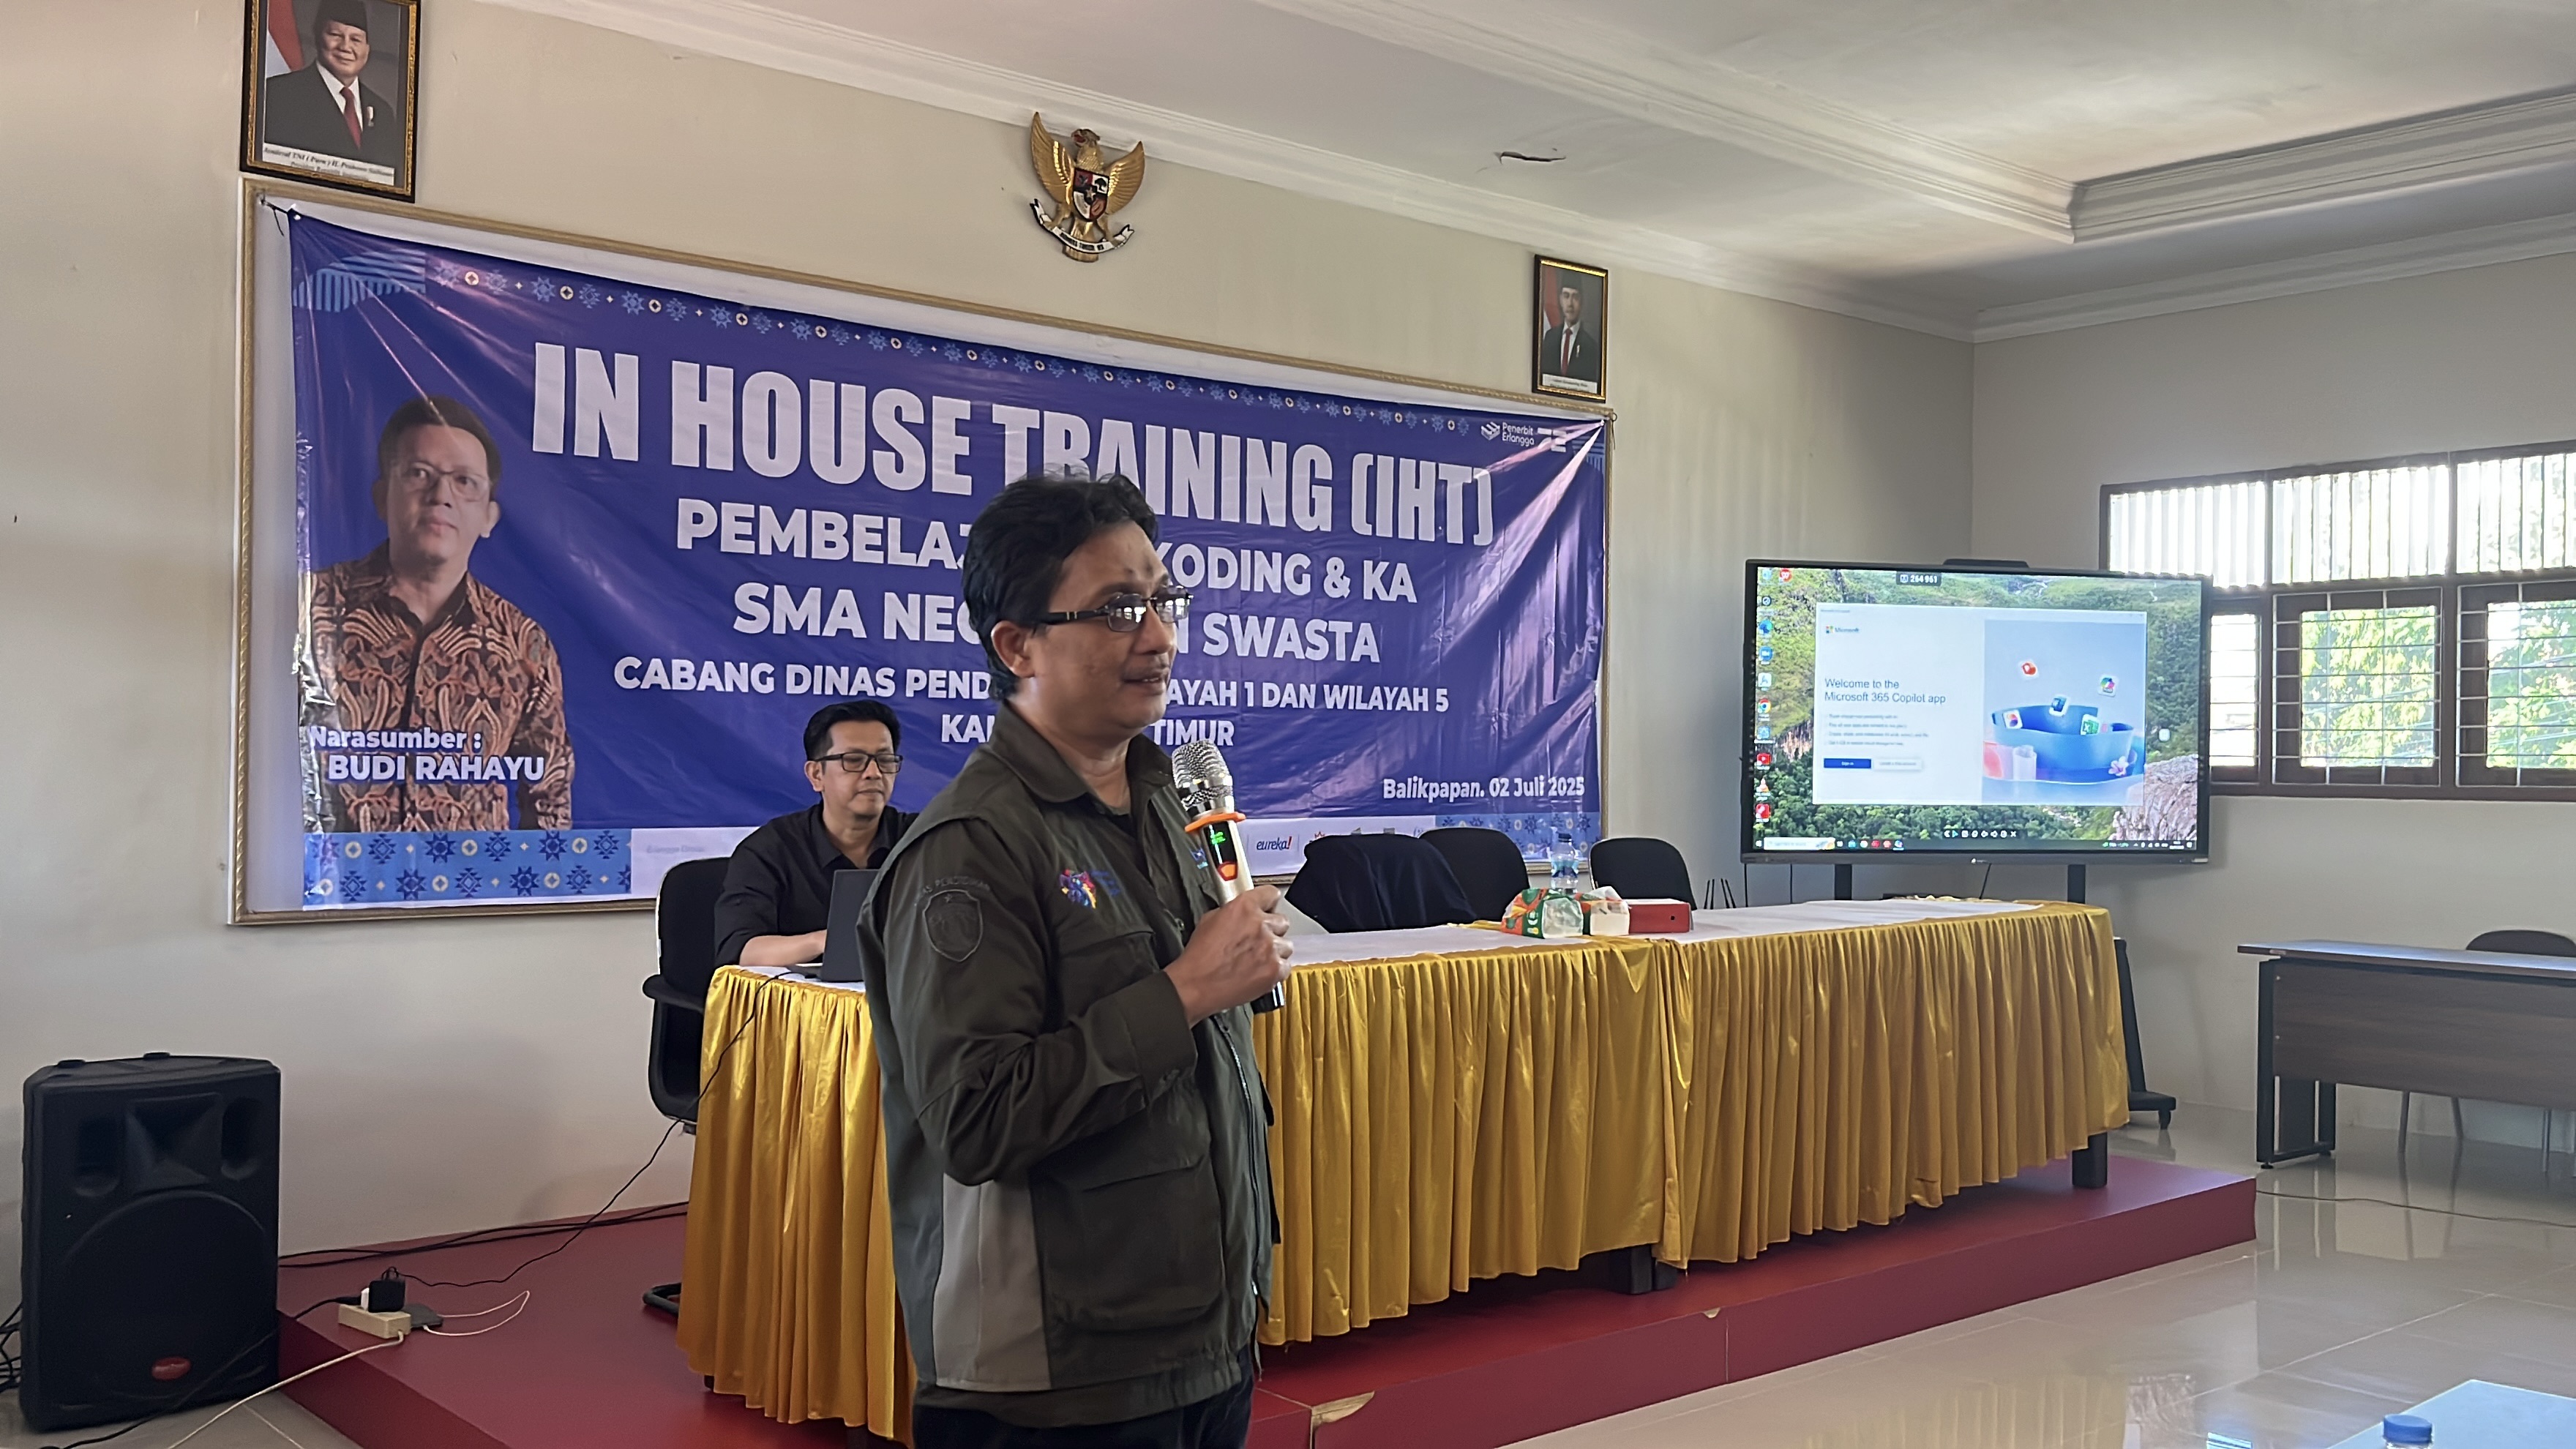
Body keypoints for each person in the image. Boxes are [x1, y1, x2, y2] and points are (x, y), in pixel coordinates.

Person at [858, 476, 1292, 1448]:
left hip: (1201, 1334)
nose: (1160, 637)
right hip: (1053, 1381)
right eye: (1119, 609)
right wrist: (1186, 991)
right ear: (1018, 646)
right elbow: (976, 1119)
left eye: (1166, 600)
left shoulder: (1168, 807)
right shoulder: (970, 849)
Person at [304, 395, 572, 831]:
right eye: (419, 474)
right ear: (382, 497)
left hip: (472, 874)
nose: (441, 496)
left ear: (489, 517)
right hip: (328, 872)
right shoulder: (308, 608)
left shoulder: (524, 643)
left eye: (464, 481)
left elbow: (549, 798)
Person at [713, 700, 916, 967]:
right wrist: (824, 942)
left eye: (885, 760)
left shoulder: (921, 840)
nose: (874, 773)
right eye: (853, 760)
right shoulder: (770, 849)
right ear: (816, 774)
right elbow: (741, 951)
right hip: (798, 994)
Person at [261, 0, 402, 169]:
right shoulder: (279, 95)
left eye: (356, 39)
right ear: (318, 37)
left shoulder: (383, 112)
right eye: (336, 35)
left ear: (367, 49)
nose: (345, 47)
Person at [1540, 273, 1600, 388]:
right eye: (1566, 296)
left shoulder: (1591, 347)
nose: (1570, 304)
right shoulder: (1550, 338)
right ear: (1560, 299)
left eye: (1575, 297)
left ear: (1581, 302)